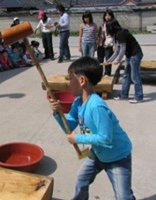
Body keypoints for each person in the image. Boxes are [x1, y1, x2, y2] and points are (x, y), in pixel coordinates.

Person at [48, 57, 135, 200]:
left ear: (82, 81)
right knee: (82, 179)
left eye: (70, 78)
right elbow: (69, 127)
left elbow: (105, 138)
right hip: (98, 153)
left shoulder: (96, 106)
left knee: (123, 196)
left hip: (117, 156)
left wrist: (77, 138)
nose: (69, 83)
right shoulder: (78, 102)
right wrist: (58, 113)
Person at [105, 19, 143, 104]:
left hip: (135, 55)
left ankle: (139, 96)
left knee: (134, 76)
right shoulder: (116, 35)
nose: (105, 29)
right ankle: (124, 95)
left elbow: (122, 49)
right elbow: (117, 50)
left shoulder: (121, 33)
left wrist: (118, 60)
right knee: (126, 76)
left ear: (111, 27)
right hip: (130, 55)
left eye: (106, 27)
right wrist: (109, 61)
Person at [97, 10, 115, 76]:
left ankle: (107, 73)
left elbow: (115, 36)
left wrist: (114, 45)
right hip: (101, 44)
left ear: (112, 16)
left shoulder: (114, 25)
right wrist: (98, 43)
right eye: (106, 15)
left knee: (108, 59)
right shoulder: (102, 25)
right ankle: (99, 72)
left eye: (109, 15)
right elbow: (99, 35)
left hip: (109, 45)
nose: (107, 17)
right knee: (100, 59)